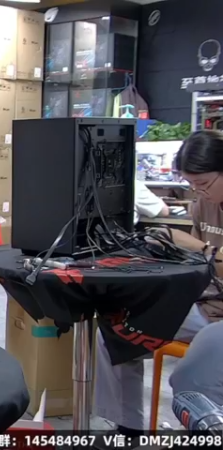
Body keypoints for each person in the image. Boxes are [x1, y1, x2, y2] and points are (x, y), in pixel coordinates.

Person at [94, 130, 223, 433]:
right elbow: (201, 265)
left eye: (204, 183)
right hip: (207, 305)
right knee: (117, 331)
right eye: (191, 184)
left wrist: (198, 248)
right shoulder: (203, 205)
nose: (198, 191)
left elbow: (204, 253)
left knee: (194, 374)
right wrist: (168, 249)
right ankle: (128, 428)